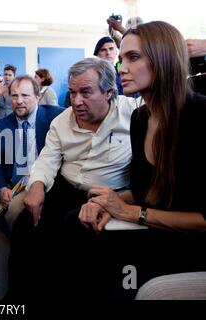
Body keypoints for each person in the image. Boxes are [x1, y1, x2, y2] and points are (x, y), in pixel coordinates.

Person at [76, 21, 206, 299]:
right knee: (74, 223)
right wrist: (107, 202)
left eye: (133, 58)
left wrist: (131, 212)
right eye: (121, 59)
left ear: (164, 59)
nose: (120, 68)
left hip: (191, 243)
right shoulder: (140, 118)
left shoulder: (200, 115)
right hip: (155, 229)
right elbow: (143, 190)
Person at [8, 57, 140, 299]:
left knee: (72, 236)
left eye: (86, 93)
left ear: (109, 92)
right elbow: (47, 160)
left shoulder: (135, 115)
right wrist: (36, 185)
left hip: (110, 194)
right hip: (65, 189)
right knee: (26, 225)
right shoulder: (61, 122)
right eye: (72, 93)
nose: (76, 101)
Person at [0, 75, 63, 299]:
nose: (19, 101)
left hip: (39, 182)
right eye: (14, 96)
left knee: (15, 208)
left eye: (25, 95)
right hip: (10, 182)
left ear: (37, 96)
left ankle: (20, 253)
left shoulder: (56, 116)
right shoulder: (0, 126)